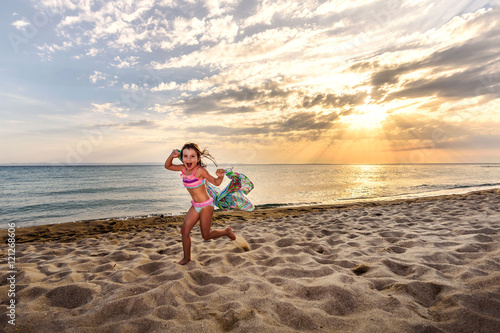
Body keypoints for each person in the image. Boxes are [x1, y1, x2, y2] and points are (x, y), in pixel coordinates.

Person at [165, 142, 236, 265]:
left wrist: (220, 177)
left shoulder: (200, 171)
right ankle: (186, 258)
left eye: (192, 156)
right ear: (182, 158)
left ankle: (227, 231)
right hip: (195, 205)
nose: (189, 159)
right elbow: (168, 166)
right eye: (185, 156)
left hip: (206, 206)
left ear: (198, 159)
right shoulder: (183, 169)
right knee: (184, 231)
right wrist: (172, 155)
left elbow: (216, 182)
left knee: (206, 235)